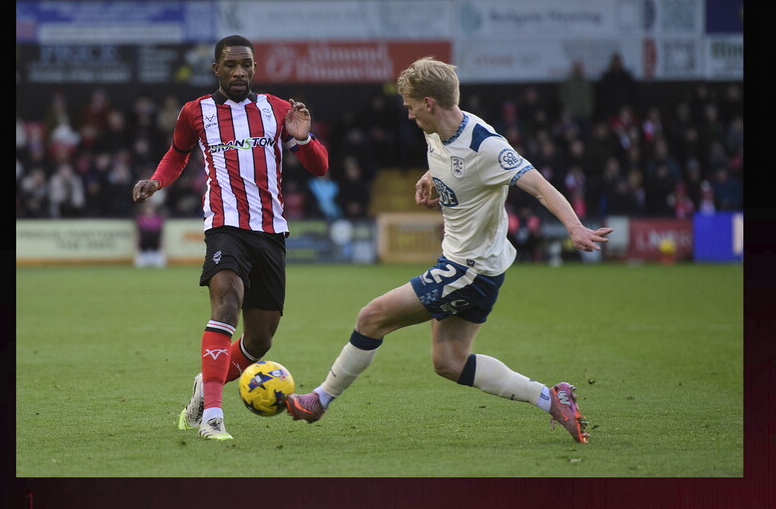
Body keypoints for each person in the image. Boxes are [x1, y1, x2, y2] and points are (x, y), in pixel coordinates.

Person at [285, 57, 612, 444]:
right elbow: (448, 160)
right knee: (449, 363)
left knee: (372, 317)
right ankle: (550, 397)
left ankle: (320, 399)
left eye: (409, 106)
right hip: (474, 264)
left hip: (469, 268)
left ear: (428, 103)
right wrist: (430, 177)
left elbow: (539, 185)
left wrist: (574, 227)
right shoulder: (437, 128)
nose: (407, 115)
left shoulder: (485, 145)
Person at [132, 35, 329, 441]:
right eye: (231, 65)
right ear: (216, 69)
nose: (239, 72)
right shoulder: (196, 112)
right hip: (224, 225)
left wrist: (306, 139)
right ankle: (213, 418)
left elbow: (320, 168)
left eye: (246, 65)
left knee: (260, 340)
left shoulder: (276, 110)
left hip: (271, 231)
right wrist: (156, 180)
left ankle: (206, 385)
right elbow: (178, 153)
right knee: (226, 306)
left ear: (254, 68)